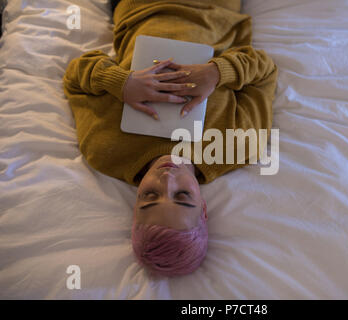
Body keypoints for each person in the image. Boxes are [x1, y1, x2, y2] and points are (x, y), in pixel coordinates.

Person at [63, 0, 278, 277]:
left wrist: (120, 82)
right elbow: (265, 70)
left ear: (134, 208)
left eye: (149, 195)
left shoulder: (104, 151)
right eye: (183, 195)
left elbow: (75, 75)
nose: (168, 178)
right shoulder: (235, 147)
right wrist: (216, 72)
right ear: (203, 209)